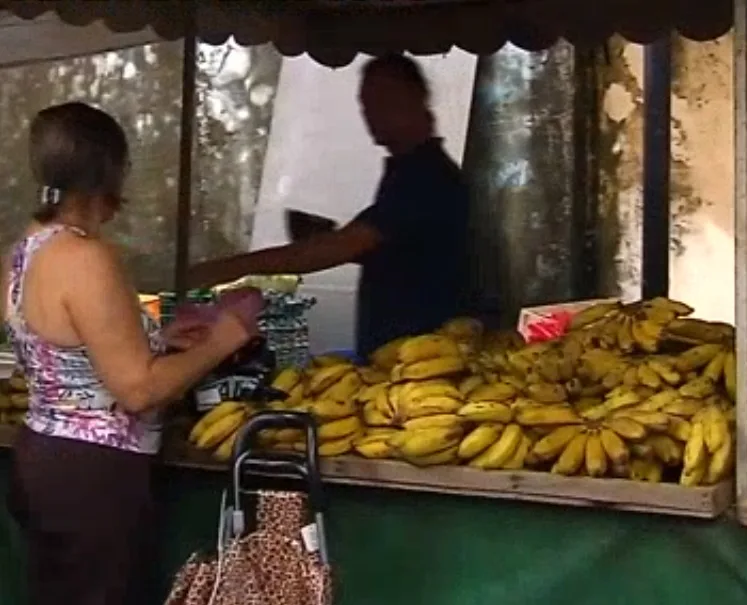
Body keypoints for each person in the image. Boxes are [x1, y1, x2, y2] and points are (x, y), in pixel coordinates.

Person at [3, 102, 255, 605]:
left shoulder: (26, 250)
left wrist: (158, 341)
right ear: (110, 175)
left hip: (44, 458)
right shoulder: (86, 257)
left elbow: (69, 349)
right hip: (93, 477)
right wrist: (227, 335)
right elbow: (138, 390)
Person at [187, 53, 471, 360]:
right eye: (366, 104)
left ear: (417, 100)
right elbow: (404, 250)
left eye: (384, 100)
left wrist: (225, 268)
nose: (372, 114)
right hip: (391, 353)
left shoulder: (425, 176)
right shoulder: (406, 172)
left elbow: (342, 247)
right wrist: (331, 238)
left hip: (422, 358)